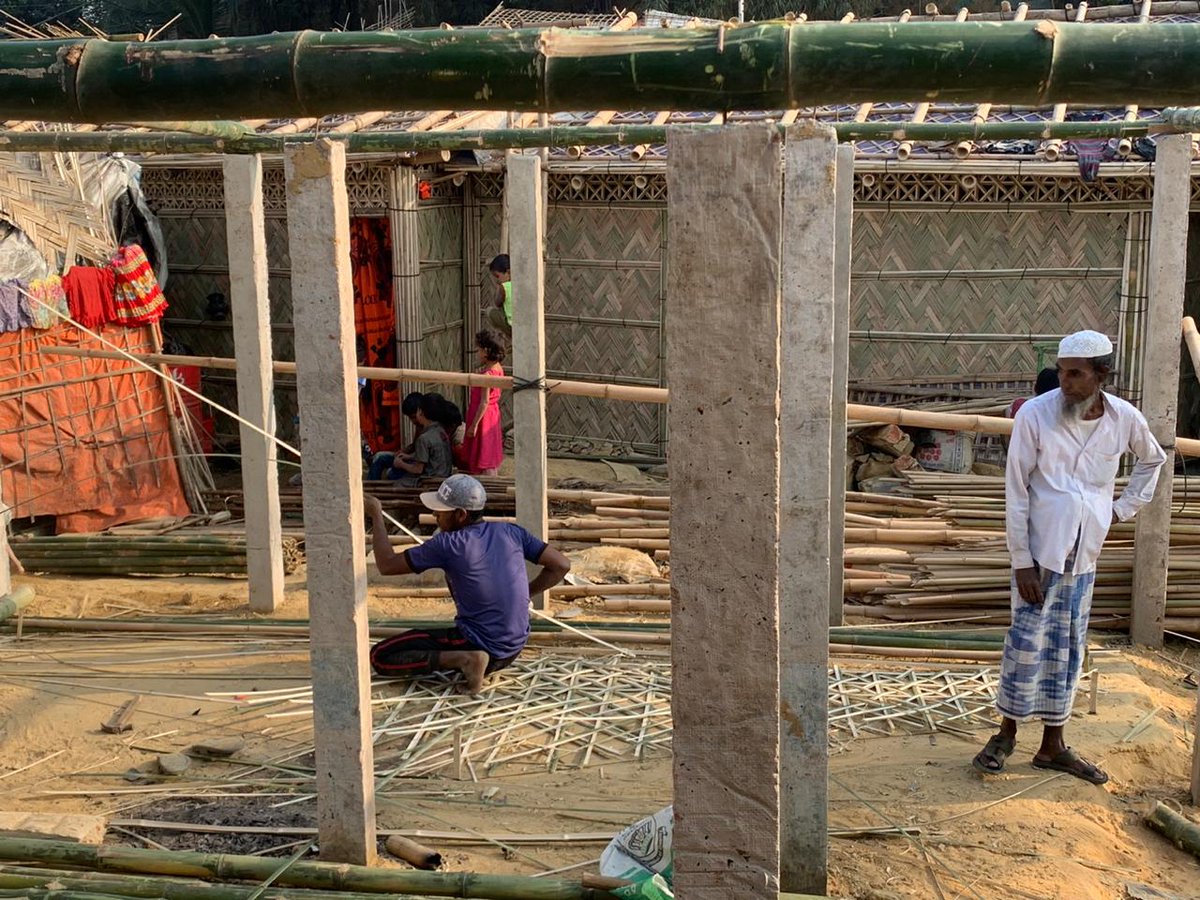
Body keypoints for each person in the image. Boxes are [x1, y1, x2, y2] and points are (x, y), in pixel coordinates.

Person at [972, 330, 1166, 784]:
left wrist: (1118, 510)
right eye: (1061, 372)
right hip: (1040, 553)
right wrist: (1020, 560)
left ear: (1101, 374)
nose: (1066, 382)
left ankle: (1053, 745)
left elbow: (1152, 460)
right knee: (1025, 645)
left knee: (1069, 647)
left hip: (1084, 554)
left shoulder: (1124, 419)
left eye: (1075, 373)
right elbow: (1016, 490)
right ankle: (1005, 734)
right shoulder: (1036, 416)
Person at [364, 475, 571, 694]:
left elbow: (386, 565)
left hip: (481, 644)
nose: (435, 515)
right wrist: (526, 593)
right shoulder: (511, 532)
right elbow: (561, 565)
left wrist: (376, 514)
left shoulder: (447, 544)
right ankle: (469, 657)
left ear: (460, 515)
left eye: (440, 512)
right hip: (513, 648)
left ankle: (467, 658)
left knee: (380, 655)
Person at [456, 330, 505, 476]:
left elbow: (484, 402)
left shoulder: (488, 375)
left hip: (483, 417)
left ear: (486, 351)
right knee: (489, 450)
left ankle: (486, 483)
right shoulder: (498, 368)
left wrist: (474, 425)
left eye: (479, 349)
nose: (477, 352)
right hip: (492, 414)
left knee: (483, 452)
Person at [382, 393, 454, 485]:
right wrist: (409, 456)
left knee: (397, 484)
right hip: (444, 477)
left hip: (429, 481)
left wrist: (400, 464)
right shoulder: (441, 430)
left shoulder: (424, 438)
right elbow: (432, 456)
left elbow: (418, 470)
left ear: (420, 412)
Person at [367, 392, 422, 481]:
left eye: (414, 417)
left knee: (391, 473)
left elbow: (420, 463)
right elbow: (414, 446)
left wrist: (406, 459)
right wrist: (403, 451)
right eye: (410, 418)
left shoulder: (429, 430)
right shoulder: (419, 426)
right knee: (379, 457)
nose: (413, 421)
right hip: (412, 458)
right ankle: (371, 485)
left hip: (416, 463)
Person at [485, 254, 512, 338]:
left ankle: (506, 333)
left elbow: (497, 303)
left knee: (489, 311)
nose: (497, 279)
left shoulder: (504, 287)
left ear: (508, 272)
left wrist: (499, 287)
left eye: (497, 276)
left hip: (511, 326)